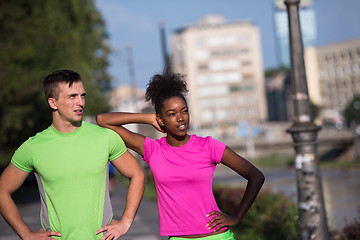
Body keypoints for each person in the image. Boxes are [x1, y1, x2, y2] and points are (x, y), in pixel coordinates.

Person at [96, 69, 265, 240]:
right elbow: (103, 120)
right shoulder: (152, 149)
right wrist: (147, 118)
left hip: (216, 236)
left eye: (184, 111)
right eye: (171, 114)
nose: (180, 118)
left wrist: (236, 216)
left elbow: (256, 176)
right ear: (160, 119)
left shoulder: (208, 146)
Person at [0, 70, 145, 240]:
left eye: (82, 96)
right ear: (53, 103)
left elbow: (137, 175)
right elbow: (2, 191)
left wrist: (126, 221)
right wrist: (26, 234)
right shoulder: (34, 147)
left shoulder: (104, 137)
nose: (80, 102)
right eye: (72, 96)